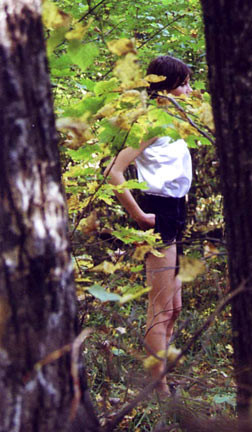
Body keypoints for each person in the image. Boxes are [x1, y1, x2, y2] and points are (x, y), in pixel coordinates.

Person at [105, 56, 193, 396]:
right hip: (157, 211)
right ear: (167, 86)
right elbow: (113, 171)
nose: (189, 90)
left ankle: (162, 375)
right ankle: (161, 391)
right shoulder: (149, 124)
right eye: (184, 83)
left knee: (175, 307)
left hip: (176, 211)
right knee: (160, 308)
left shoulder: (172, 121)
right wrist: (139, 215)